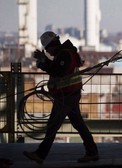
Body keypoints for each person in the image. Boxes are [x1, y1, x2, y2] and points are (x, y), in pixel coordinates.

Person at [23, 31, 99, 164]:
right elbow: (57, 67)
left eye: (47, 49)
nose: (48, 52)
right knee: (79, 124)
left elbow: (57, 71)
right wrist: (44, 60)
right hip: (70, 94)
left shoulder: (65, 54)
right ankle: (92, 152)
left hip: (66, 96)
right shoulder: (65, 53)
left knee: (53, 125)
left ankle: (40, 154)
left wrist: (42, 63)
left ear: (51, 45)